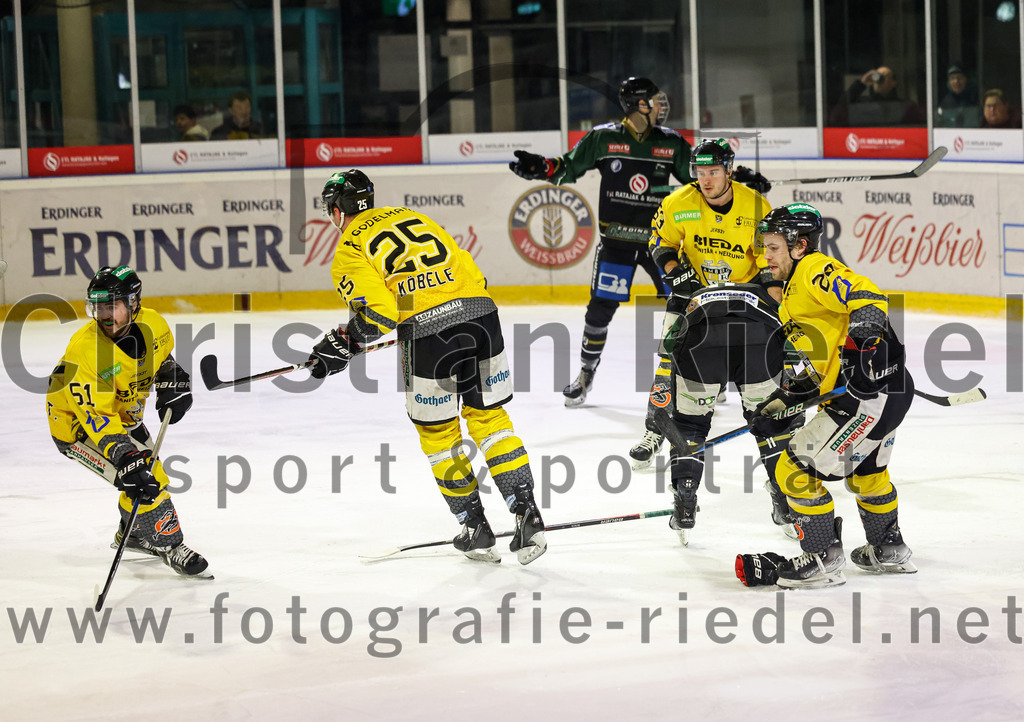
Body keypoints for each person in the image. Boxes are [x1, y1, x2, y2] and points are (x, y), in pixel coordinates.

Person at [307, 169, 547, 565]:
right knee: (490, 419)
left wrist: (343, 342)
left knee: (438, 434)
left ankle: (475, 527)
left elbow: (379, 314)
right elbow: (473, 271)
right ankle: (527, 514)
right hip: (481, 314)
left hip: (431, 335)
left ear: (336, 211)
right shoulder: (411, 216)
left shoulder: (349, 248)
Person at [736, 204, 916, 589]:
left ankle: (821, 558)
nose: (764, 256)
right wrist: (781, 403)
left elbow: (866, 294)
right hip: (890, 391)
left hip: (868, 395)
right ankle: (888, 548)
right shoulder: (792, 286)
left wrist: (863, 344)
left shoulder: (815, 269)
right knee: (869, 472)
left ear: (799, 246)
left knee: (793, 470)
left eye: (772, 247)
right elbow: (825, 368)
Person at [635, 138, 796, 544]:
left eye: (712, 172)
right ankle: (655, 425)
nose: (705, 180)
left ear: (729, 169)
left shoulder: (756, 206)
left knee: (746, 396)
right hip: (691, 295)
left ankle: (778, 493)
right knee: (667, 361)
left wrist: (775, 310)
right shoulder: (678, 203)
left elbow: (771, 266)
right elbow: (659, 244)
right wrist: (675, 270)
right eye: (699, 172)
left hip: (742, 303)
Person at [508, 78, 692, 408]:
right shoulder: (604, 138)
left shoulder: (672, 143)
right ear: (640, 105)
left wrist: (739, 180)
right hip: (617, 243)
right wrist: (541, 167)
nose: (661, 106)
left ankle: (693, 375)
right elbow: (567, 167)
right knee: (598, 313)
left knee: (683, 304)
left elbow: (701, 182)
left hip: (659, 244)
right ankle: (585, 374)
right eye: (654, 100)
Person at [45, 265, 210, 578]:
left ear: (134, 303)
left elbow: (162, 361)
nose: (105, 316)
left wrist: (173, 381)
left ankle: (133, 533)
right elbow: (98, 421)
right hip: (76, 428)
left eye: (112, 306)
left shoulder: (154, 325)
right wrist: (128, 458)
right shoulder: (88, 352)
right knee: (146, 479)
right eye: (98, 308)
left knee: (143, 474)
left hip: (122, 415)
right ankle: (170, 546)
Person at [831, 65, 922, 126]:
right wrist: (861, 84)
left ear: (894, 82)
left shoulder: (905, 106)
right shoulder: (863, 104)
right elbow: (838, 114)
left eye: (883, 76)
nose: (878, 80)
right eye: (876, 76)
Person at [935, 64, 979, 128]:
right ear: (949, 81)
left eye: (960, 77)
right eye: (952, 78)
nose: (956, 81)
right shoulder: (944, 102)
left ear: (966, 79)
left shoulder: (974, 99)